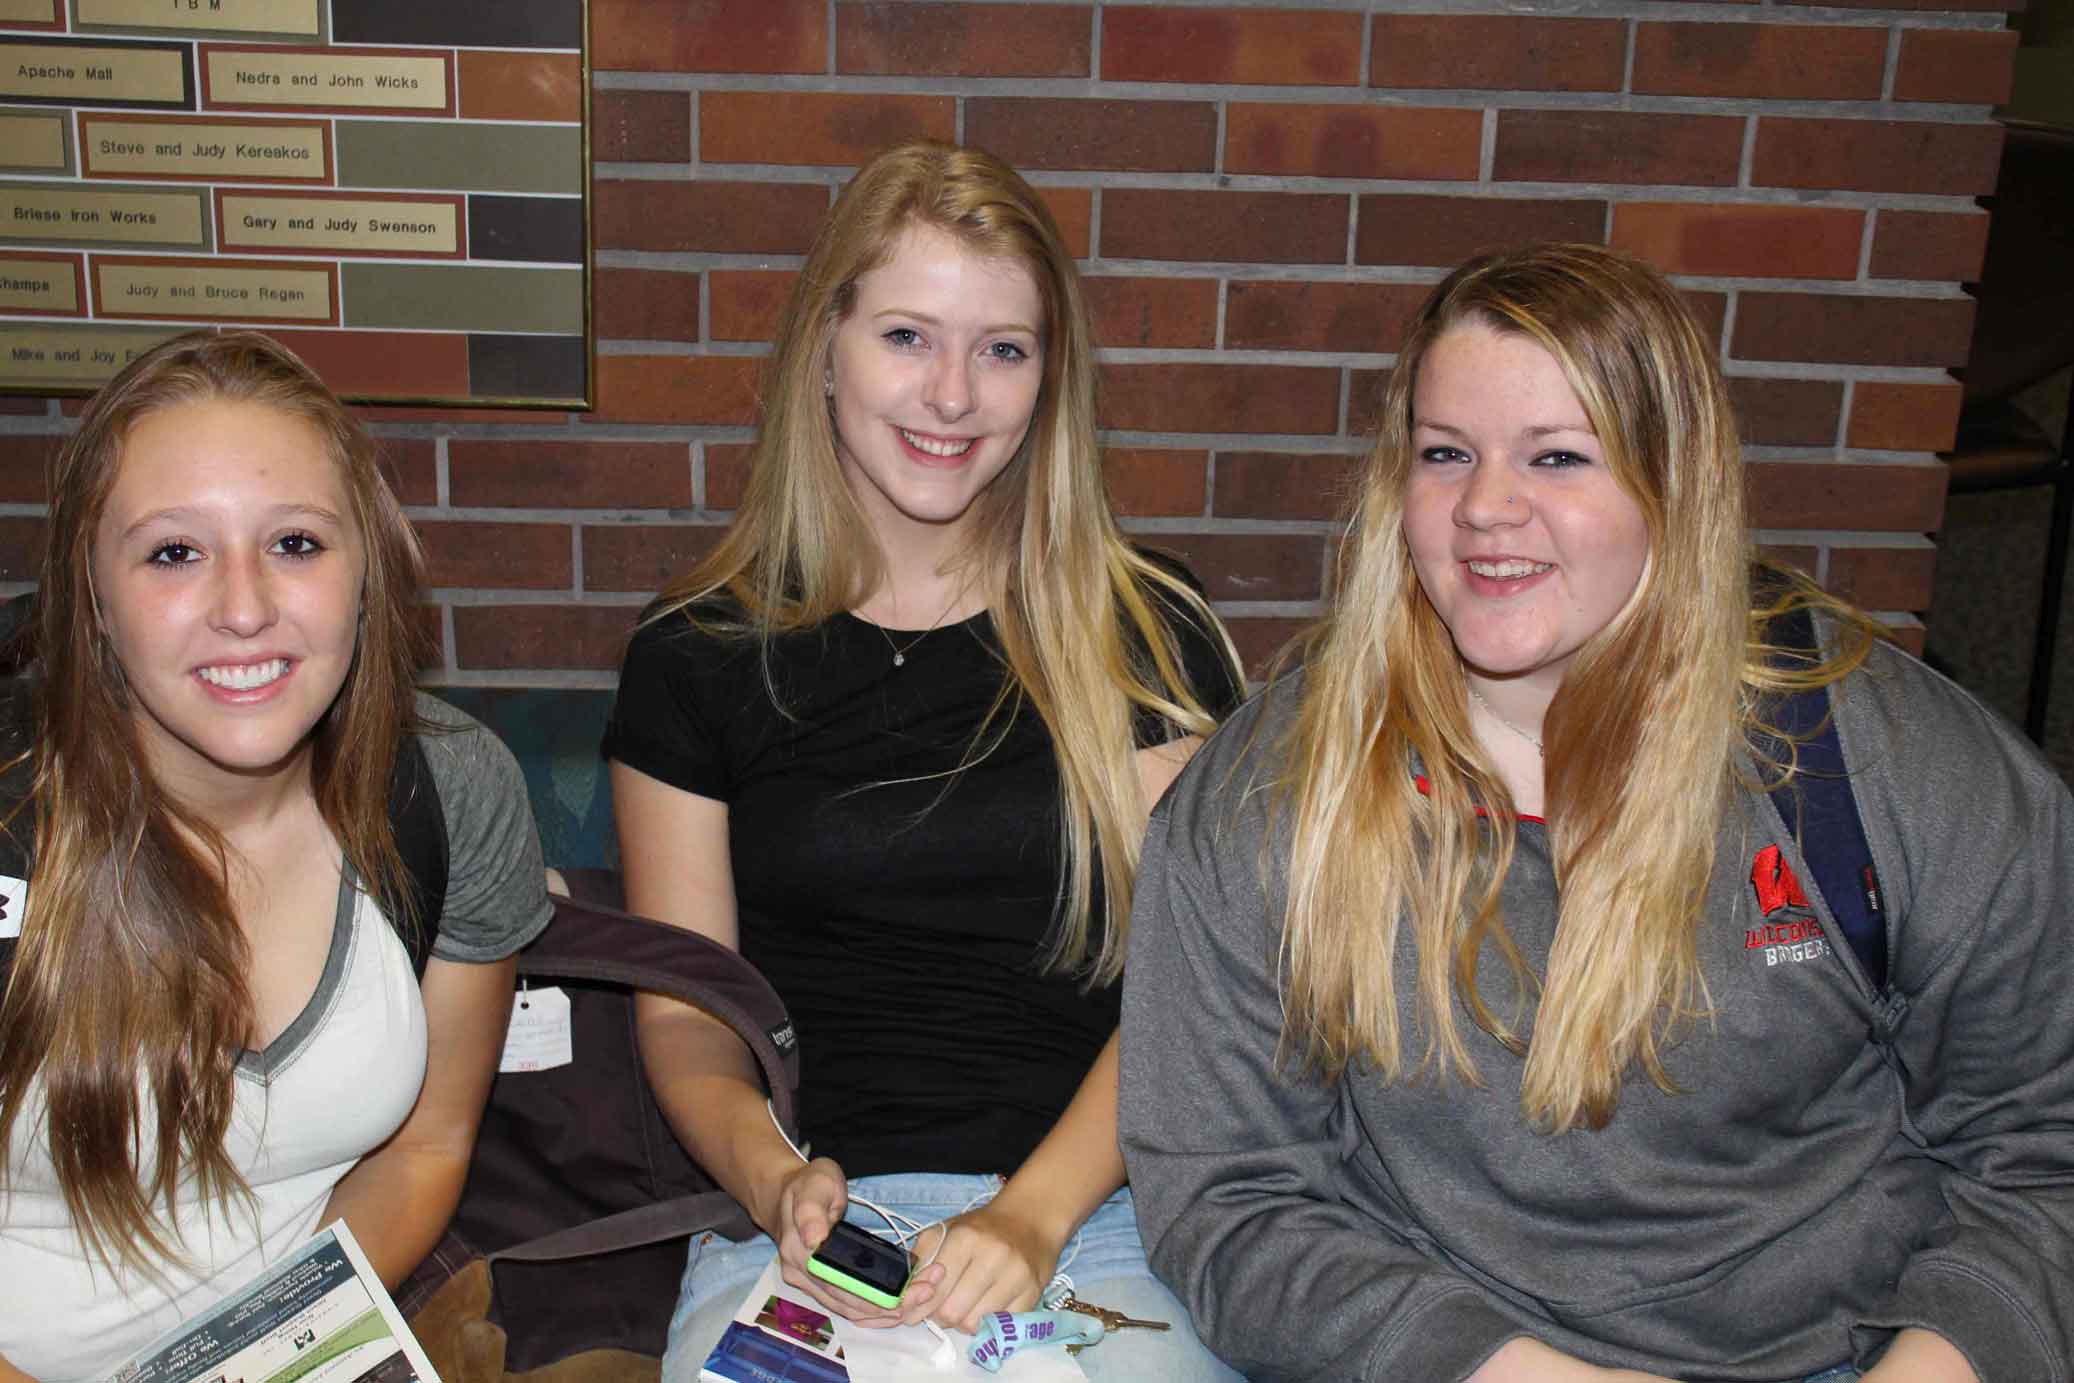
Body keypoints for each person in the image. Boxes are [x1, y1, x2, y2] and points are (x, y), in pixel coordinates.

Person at [1119, 243, 2074, 1383]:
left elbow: (2043, 1145)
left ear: (1675, 490)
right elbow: (1229, 1190)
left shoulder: (1878, 761)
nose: (1484, 509)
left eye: (1558, 457)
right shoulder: (1278, 789)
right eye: (1446, 454)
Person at [602, 141, 1247, 1380]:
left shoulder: (1148, 635)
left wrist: (1031, 1214)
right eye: (907, 336)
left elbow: (1191, 1002)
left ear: (1048, 381)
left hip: (1097, 1219)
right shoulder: (697, 651)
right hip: (801, 1230)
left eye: (1002, 349)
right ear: (826, 352)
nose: (952, 395)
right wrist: (772, 1177)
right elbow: (688, 1018)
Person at [0, 331, 553, 1382]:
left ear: (368, 571)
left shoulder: (448, 790)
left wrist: (259, 1360)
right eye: (173, 553)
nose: (245, 608)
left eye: (296, 543)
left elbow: (427, 1149)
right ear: (94, 601)